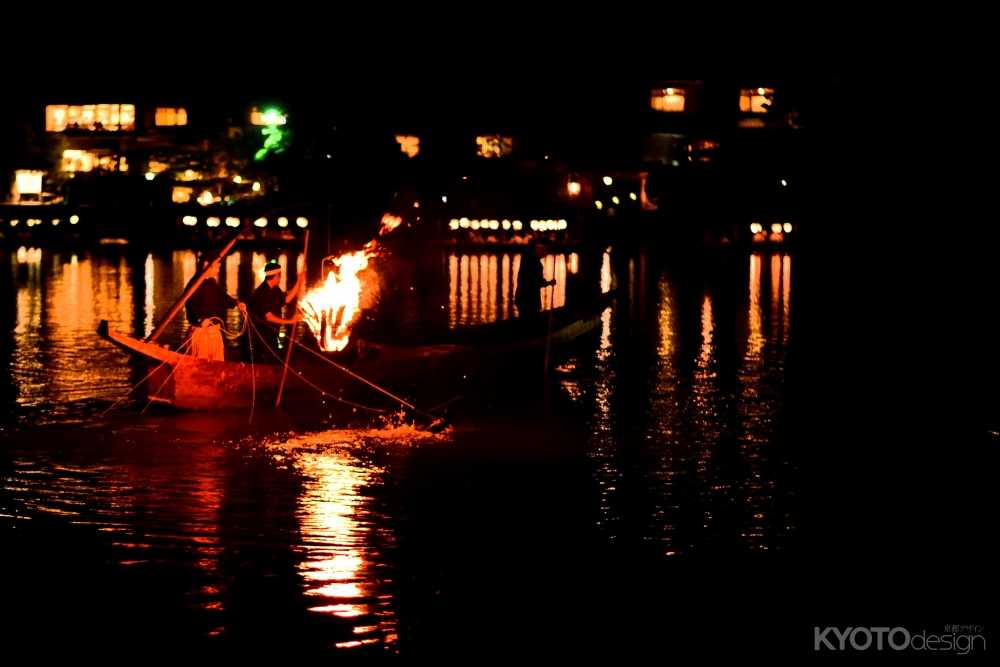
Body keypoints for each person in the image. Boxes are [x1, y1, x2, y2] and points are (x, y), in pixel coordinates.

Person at [184, 254, 246, 360]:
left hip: (214, 332)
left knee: (217, 363)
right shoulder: (194, 284)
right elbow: (189, 305)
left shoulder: (211, 282)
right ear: (206, 265)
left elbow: (222, 296)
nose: (218, 271)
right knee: (200, 365)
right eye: (216, 267)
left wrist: (236, 303)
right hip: (201, 333)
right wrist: (199, 320)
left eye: (219, 267)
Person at [248, 259, 304, 354]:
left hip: (273, 333)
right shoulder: (262, 293)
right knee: (268, 358)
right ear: (276, 276)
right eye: (280, 276)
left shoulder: (274, 289)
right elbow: (269, 317)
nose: (280, 279)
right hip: (262, 337)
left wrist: (299, 282)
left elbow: (286, 299)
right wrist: (290, 321)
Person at [515, 241, 555, 318]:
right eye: (544, 251)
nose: (545, 254)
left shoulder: (525, 259)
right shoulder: (536, 264)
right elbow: (538, 282)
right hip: (530, 300)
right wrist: (549, 283)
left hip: (521, 298)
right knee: (531, 319)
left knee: (524, 318)